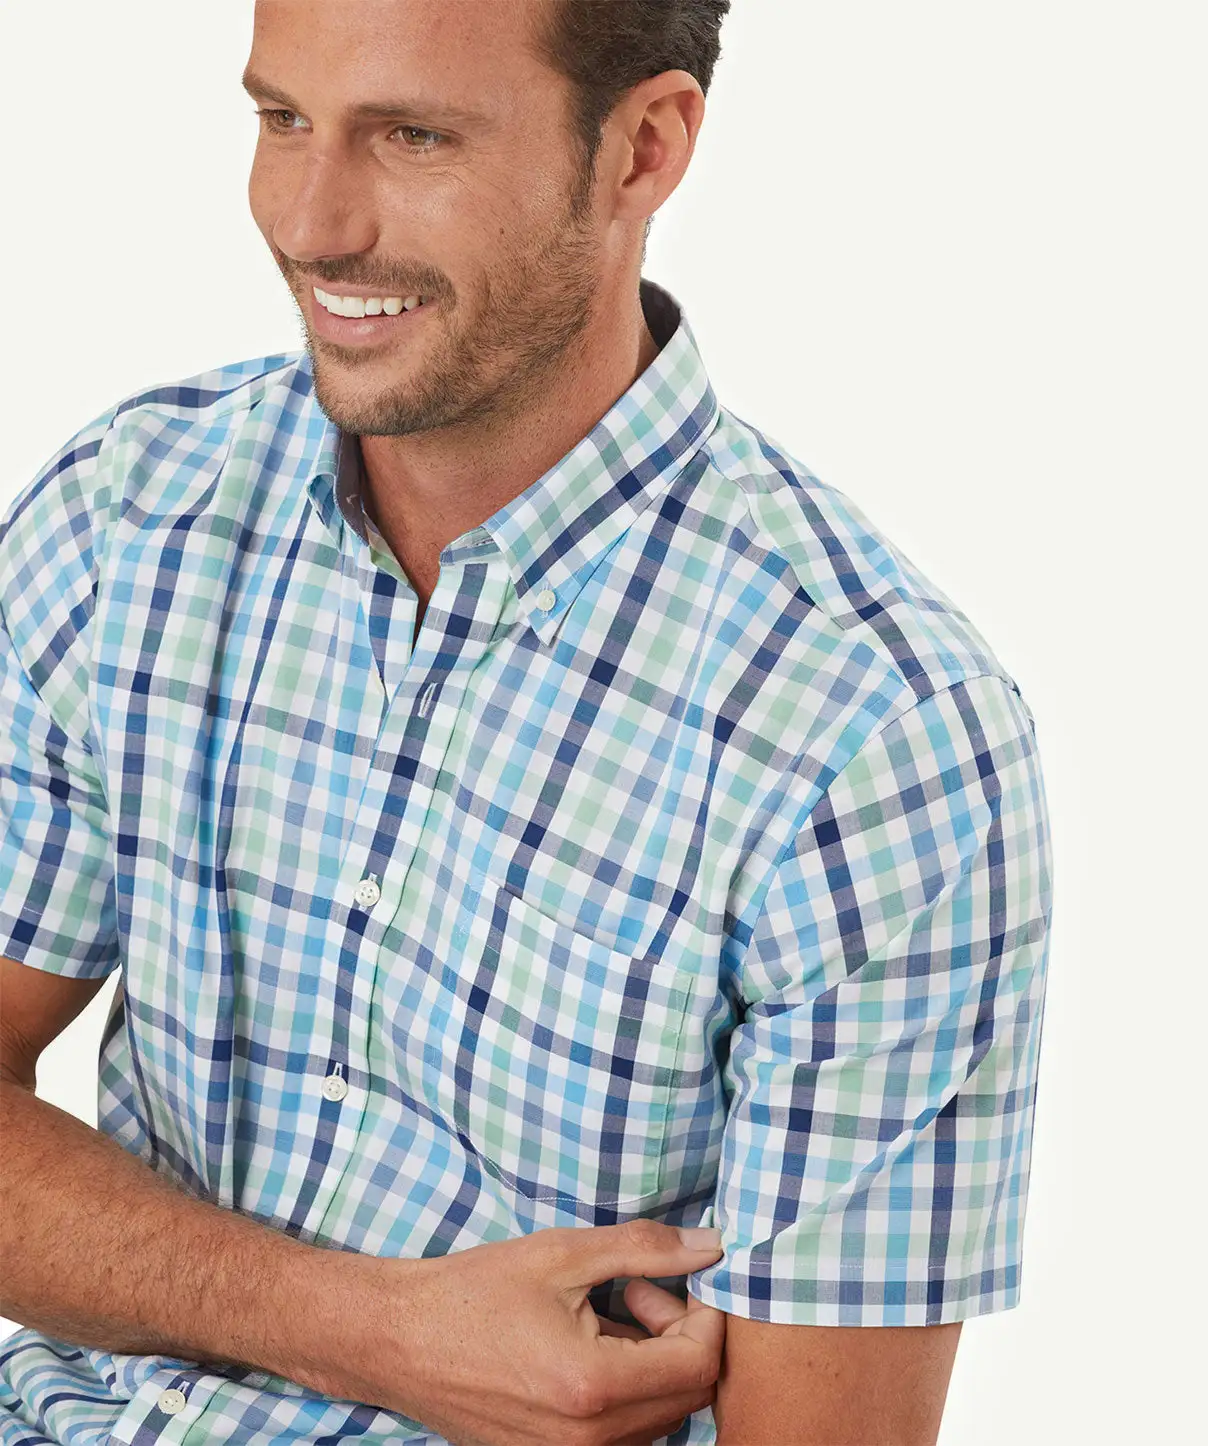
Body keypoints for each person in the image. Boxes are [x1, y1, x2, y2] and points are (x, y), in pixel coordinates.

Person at [0, 2, 1053, 1443]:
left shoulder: (874, 740)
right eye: (283, 119)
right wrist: (367, 1329)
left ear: (644, 148)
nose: (310, 224)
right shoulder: (132, 511)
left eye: (414, 136)